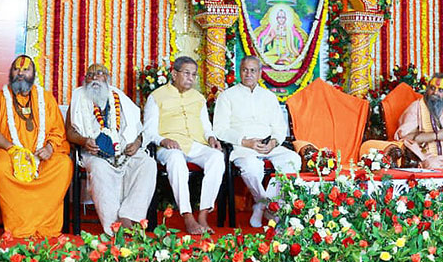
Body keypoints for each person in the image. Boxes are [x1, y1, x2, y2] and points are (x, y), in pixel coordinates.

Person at [0, 55, 72, 238]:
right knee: (1, 167)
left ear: (34, 74)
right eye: (17, 69)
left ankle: (44, 224)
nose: (21, 73)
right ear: (10, 73)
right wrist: (13, 149)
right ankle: (20, 225)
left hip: (42, 154)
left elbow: (57, 130)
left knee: (63, 164)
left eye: (26, 69)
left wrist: (49, 148)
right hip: (10, 151)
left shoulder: (46, 98)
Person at [66, 64, 155, 236]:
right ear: (85, 80)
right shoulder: (78, 97)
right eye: (90, 74)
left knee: (147, 164)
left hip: (125, 151)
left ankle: (129, 216)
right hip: (94, 152)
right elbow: (70, 132)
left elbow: (139, 130)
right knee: (99, 168)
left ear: (107, 78)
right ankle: (115, 226)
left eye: (99, 73)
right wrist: (84, 141)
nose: (94, 78)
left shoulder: (120, 98)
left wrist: (137, 143)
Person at [213, 56, 300, 228]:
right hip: (242, 146)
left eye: (253, 70)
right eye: (245, 70)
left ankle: (260, 206)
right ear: (239, 72)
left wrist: (273, 142)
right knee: (252, 168)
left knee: (293, 160)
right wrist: (245, 142)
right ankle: (268, 205)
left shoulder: (269, 97)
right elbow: (219, 129)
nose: (249, 74)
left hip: (269, 146)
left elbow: (279, 127)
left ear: (259, 73)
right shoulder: (227, 96)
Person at [143, 56, 225, 235]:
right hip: (169, 146)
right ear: (174, 74)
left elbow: (206, 127)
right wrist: (163, 141)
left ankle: (203, 215)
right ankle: (187, 215)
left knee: (217, 157)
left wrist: (211, 138)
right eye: (186, 73)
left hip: (196, 143)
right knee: (176, 159)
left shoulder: (198, 98)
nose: (191, 78)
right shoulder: (156, 97)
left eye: (194, 74)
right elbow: (148, 131)